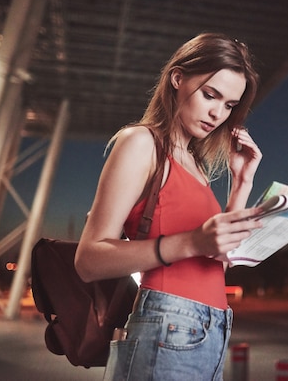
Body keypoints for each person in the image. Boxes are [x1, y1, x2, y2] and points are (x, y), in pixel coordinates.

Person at [74, 32, 264, 380]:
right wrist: (191, 241)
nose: (217, 113)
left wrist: (242, 184)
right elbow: (88, 260)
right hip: (167, 325)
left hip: (213, 327)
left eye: (229, 106)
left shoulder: (197, 167)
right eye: (211, 95)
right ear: (178, 78)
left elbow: (214, 267)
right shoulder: (141, 143)